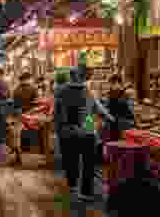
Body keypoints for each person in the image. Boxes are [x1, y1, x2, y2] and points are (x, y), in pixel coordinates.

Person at [55, 68, 115, 201]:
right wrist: (110, 119)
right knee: (89, 163)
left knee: (71, 159)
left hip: (68, 132)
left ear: (70, 78)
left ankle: (72, 184)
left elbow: (57, 113)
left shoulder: (61, 92)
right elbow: (99, 108)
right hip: (88, 129)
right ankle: (86, 192)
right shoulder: (88, 91)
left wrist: (59, 130)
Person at [102, 74, 135, 143]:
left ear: (119, 83)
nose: (115, 85)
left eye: (116, 83)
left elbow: (130, 111)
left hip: (123, 125)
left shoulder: (125, 95)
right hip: (113, 125)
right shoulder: (109, 95)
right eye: (112, 83)